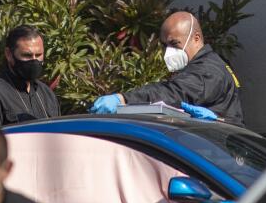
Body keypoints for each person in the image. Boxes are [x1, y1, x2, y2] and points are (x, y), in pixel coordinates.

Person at [89, 11, 245, 126]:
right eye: (165, 45)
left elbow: (172, 93)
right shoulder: (210, 63)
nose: (168, 51)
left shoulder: (207, 71)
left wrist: (124, 99)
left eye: (174, 43)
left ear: (196, 38)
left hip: (218, 153)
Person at [0, 25, 60, 126]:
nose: (34, 60)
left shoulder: (46, 93)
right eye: (27, 55)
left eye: (38, 55)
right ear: (9, 54)